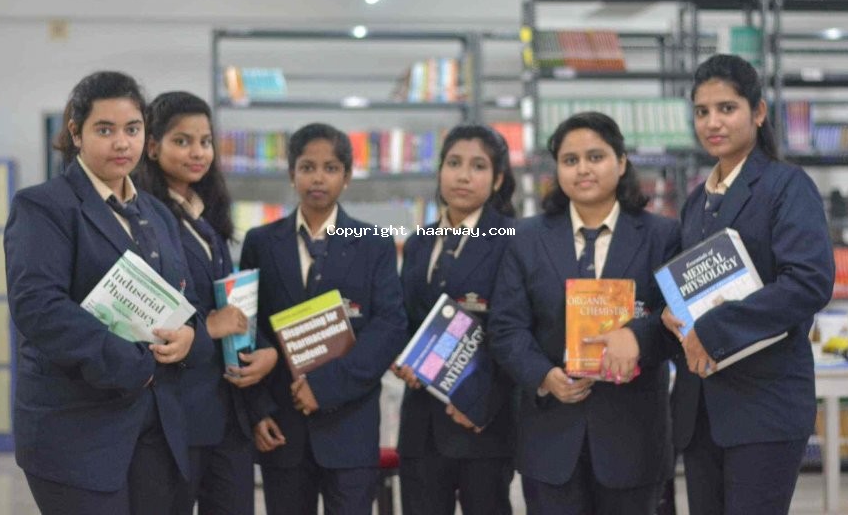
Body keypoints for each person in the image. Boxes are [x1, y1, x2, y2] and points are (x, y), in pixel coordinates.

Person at [4, 71, 212, 514]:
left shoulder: (157, 213)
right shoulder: (44, 206)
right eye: (105, 130)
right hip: (76, 431)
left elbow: (185, 296)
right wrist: (134, 364)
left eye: (132, 129)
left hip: (157, 430)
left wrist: (190, 334)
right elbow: (39, 307)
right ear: (76, 133)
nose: (122, 143)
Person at [661, 54, 835, 515]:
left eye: (727, 108)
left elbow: (809, 282)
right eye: (702, 111)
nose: (712, 122)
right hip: (701, 412)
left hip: (764, 407)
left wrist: (712, 328)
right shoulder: (696, 202)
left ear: (758, 112)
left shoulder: (786, 186)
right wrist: (673, 312)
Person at [489, 112, 680, 515]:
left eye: (596, 157)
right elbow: (506, 327)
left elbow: (675, 319)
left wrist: (638, 336)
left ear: (621, 162)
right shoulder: (525, 238)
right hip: (550, 438)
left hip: (634, 437)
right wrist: (543, 375)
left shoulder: (662, 235)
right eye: (570, 160)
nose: (583, 169)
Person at [240, 122, 407, 515]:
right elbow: (247, 328)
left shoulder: (374, 244)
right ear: (291, 173)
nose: (318, 177)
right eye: (307, 167)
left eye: (330, 168)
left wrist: (325, 387)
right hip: (281, 424)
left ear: (346, 177)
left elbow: (390, 327)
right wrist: (257, 410)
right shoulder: (261, 242)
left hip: (349, 425)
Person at [136, 91, 279, 515]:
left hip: (226, 411)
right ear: (153, 146)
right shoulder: (145, 217)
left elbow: (230, 303)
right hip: (177, 413)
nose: (198, 152)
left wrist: (266, 352)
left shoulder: (206, 217)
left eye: (205, 141)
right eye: (182, 141)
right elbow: (155, 312)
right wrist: (210, 326)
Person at [393, 124, 517, 515]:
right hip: (421, 426)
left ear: (498, 179)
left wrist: (481, 403)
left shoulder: (513, 239)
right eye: (454, 163)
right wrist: (401, 357)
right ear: (440, 171)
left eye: (478, 166)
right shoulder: (418, 243)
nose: (463, 176)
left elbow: (515, 330)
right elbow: (405, 318)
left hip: (481, 423)